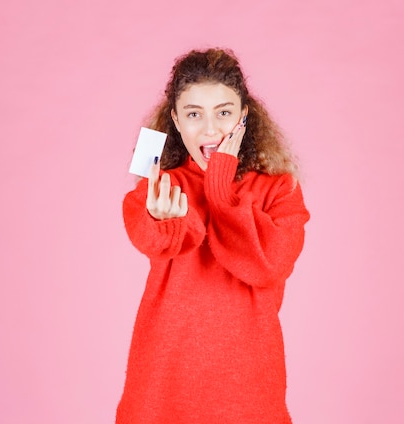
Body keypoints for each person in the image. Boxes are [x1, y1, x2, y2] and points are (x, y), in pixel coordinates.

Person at [116, 48, 310, 423]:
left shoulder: (281, 190)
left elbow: (270, 265)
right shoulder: (165, 185)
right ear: (175, 120)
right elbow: (155, 234)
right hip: (164, 380)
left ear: (243, 116)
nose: (210, 130)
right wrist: (161, 219)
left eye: (223, 112)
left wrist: (221, 187)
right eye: (193, 114)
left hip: (247, 384)